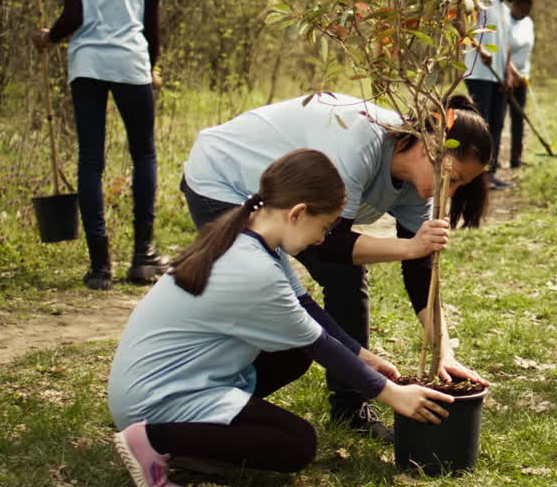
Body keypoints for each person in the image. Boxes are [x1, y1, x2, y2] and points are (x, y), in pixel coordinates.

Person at [109, 149, 454, 487]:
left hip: (174, 378)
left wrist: (364, 357)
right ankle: (154, 439)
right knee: (296, 444)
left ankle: (196, 438)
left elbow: (305, 309)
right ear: (298, 213)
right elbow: (319, 343)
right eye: (323, 228)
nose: (322, 239)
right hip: (156, 398)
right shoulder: (254, 271)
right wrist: (391, 394)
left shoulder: (252, 238)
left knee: (291, 354)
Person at [179, 93, 490, 441]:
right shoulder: (361, 142)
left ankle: (351, 408)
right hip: (225, 180)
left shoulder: (419, 191)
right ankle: (191, 400)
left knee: (342, 279)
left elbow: (420, 272)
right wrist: (408, 246)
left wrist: (444, 352)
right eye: (457, 177)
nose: (452, 191)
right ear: (429, 147)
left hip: (285, 204)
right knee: (266, 297)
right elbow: (330, 243)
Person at [31, 0, 167, 290]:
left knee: (91, 158)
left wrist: (49, 38)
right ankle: (142, 257)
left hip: (87, 65)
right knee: (143, 153)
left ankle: (99, 267)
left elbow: (73, 16)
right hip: (130, 64)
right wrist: (150, 65)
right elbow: (152, 26)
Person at [463, 0, 524, 189]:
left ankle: (491, 173)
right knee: (483, 125)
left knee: (497, 125)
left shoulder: (505, 10)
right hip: (478, 74)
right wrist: (480, 49)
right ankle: (478, 176)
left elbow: (505, 45)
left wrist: (508, 76)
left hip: (497, 78)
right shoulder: (481, 0)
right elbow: (464, 29)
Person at [504, 0, 535, 169]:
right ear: (514, 6)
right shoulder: (505, 21)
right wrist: (511, 74)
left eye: (528, 11)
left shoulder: (529, 23)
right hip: (504, 77)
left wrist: (524, 76)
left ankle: (516, 158)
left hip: (522, 78)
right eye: (522, 9)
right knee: (498, 120)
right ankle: (490, 162)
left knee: (519, 118)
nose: (524, 13)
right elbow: (503, 50)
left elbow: (527, 52)